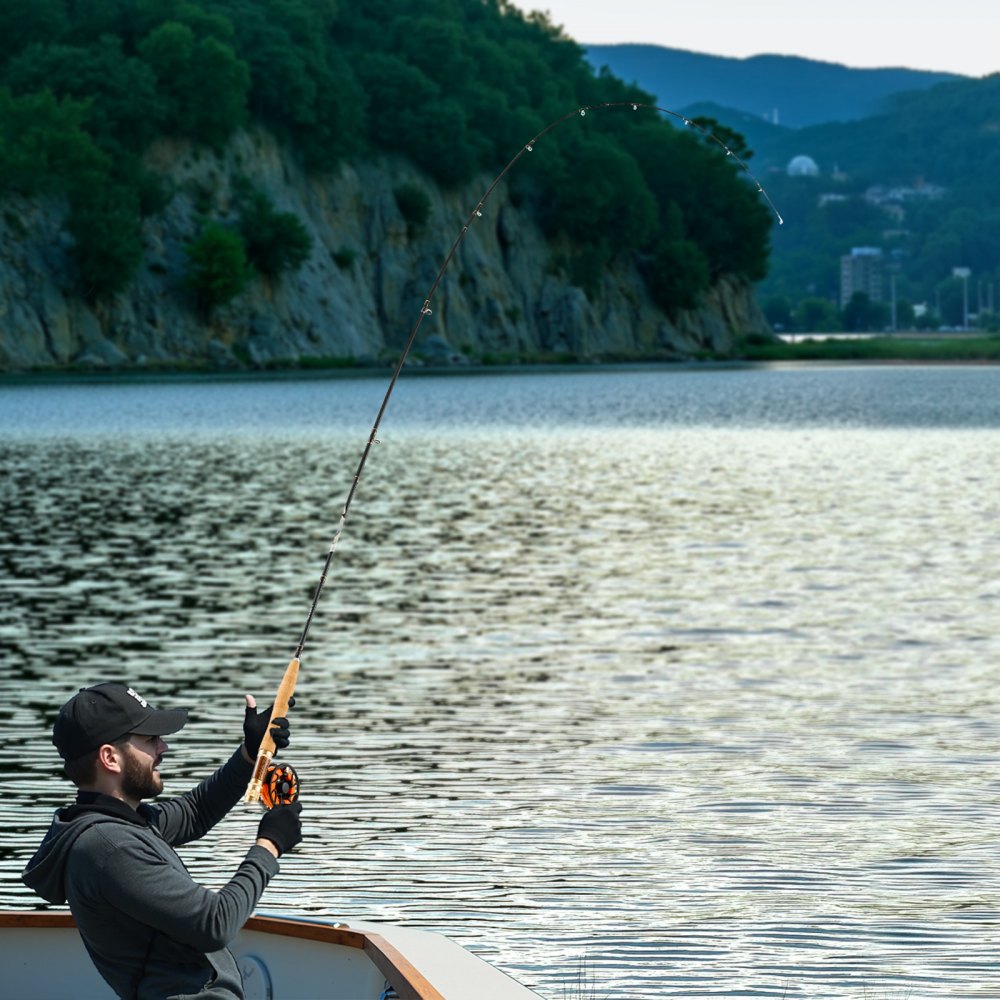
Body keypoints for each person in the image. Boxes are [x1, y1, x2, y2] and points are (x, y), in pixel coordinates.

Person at [21, 681, 303, 1000]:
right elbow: (216, 923)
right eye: (151, 739)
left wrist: (250, 754)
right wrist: (269, 845)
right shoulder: (109, 847)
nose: (163, 748)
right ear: (110, 758)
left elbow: (196, 811)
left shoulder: (122, 822)